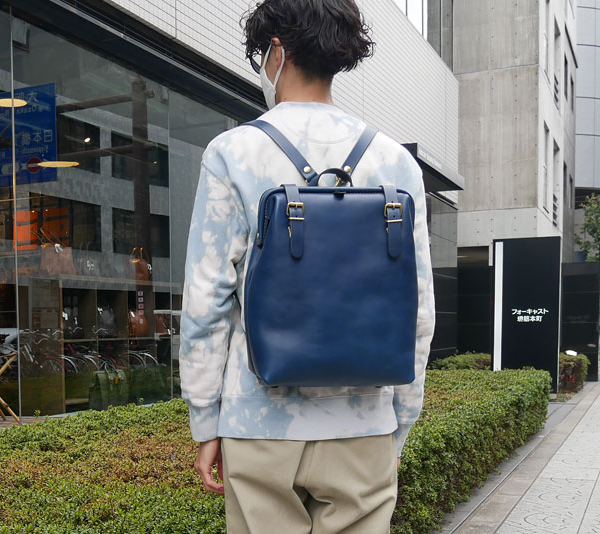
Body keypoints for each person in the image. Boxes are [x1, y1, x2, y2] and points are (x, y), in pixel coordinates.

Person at [178, 0, 435, 531]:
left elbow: (206, 301)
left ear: (276, 51)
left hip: (258, 419)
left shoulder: (232, 153)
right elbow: (417, 309)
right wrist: (400, 422)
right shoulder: (395, 162)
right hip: (363, 421)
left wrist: (206, 421)